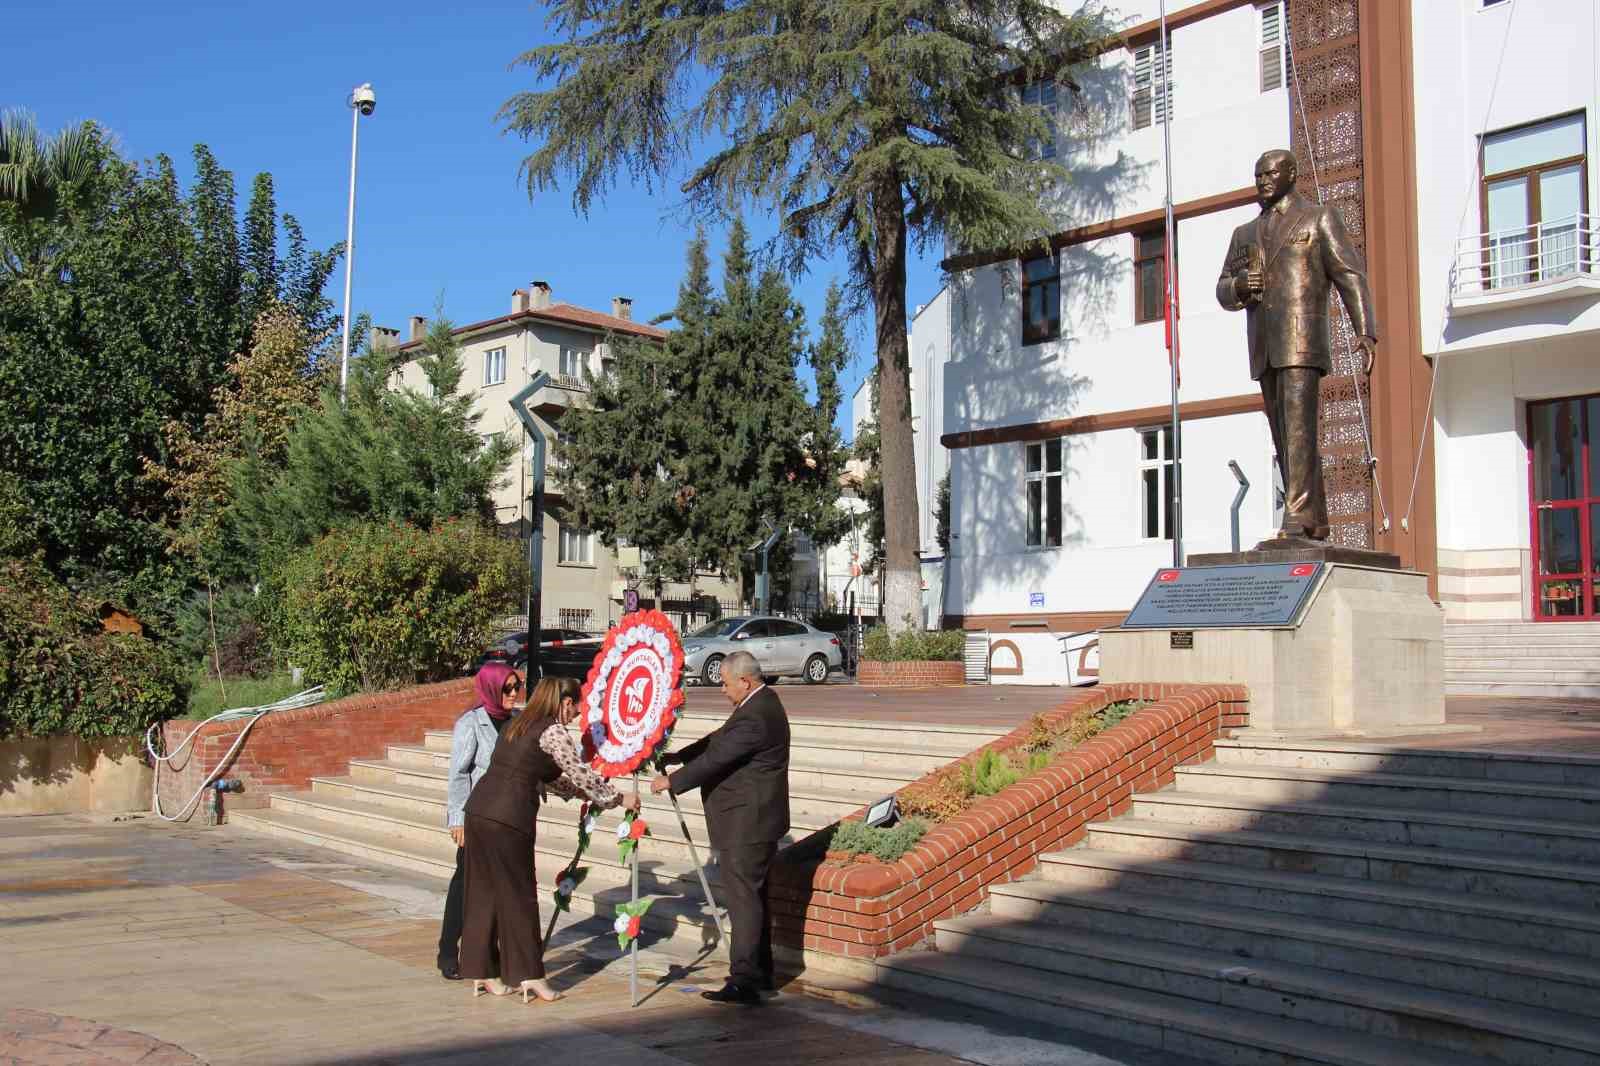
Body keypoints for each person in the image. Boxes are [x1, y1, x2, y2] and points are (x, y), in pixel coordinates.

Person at [1216, 148, 1377, 543]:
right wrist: (1239, 286)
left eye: (1269, 173)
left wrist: (1365, 330)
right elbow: (1223, 288)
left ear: (1291, 173)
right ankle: (1315, 519)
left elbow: (1349, 273)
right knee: (1284, 434)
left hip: (1302, 340)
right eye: (1257, 176)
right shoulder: (1245, 234)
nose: (1263, 182)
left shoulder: (1319, 218)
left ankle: (1297, 514)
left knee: (1300, 430)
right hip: (1265, 345)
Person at [460, 676, 638, 1002]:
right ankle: (530, 976)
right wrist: (616, 798)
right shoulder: (553, 731)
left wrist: (584, 796)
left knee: (483, 893)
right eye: (575, 706)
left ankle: (482, 971)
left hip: (479, 811)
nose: (577, 714)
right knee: (519, 897)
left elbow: (549, 777)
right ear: (564, 703)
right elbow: (579, 772)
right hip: (508, 819)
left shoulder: (518, 725)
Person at [651, 649, 790, 1006]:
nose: (723, 691)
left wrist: (674, 780)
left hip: (747, 823)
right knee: (752, 898)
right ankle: (759, 974)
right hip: (751, 821)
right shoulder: (758, 705)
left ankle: (744, 980)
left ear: (744, 682)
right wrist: (680, 755)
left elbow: (718, 757)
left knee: (744, 901)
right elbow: (719, 739)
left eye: (726, 685)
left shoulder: (756, 716)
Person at [437, 663, 521, 980]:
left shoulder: (517, 721)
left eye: (517, 687)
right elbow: (459, 775)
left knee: (500, 889)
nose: (514, 693)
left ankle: (492, 952)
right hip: (476, 818)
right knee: (465, 885)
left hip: (507, 818)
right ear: (491, 688)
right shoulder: (471, 724)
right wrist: (456, 819)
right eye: (507, 688)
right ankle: (448, 950)